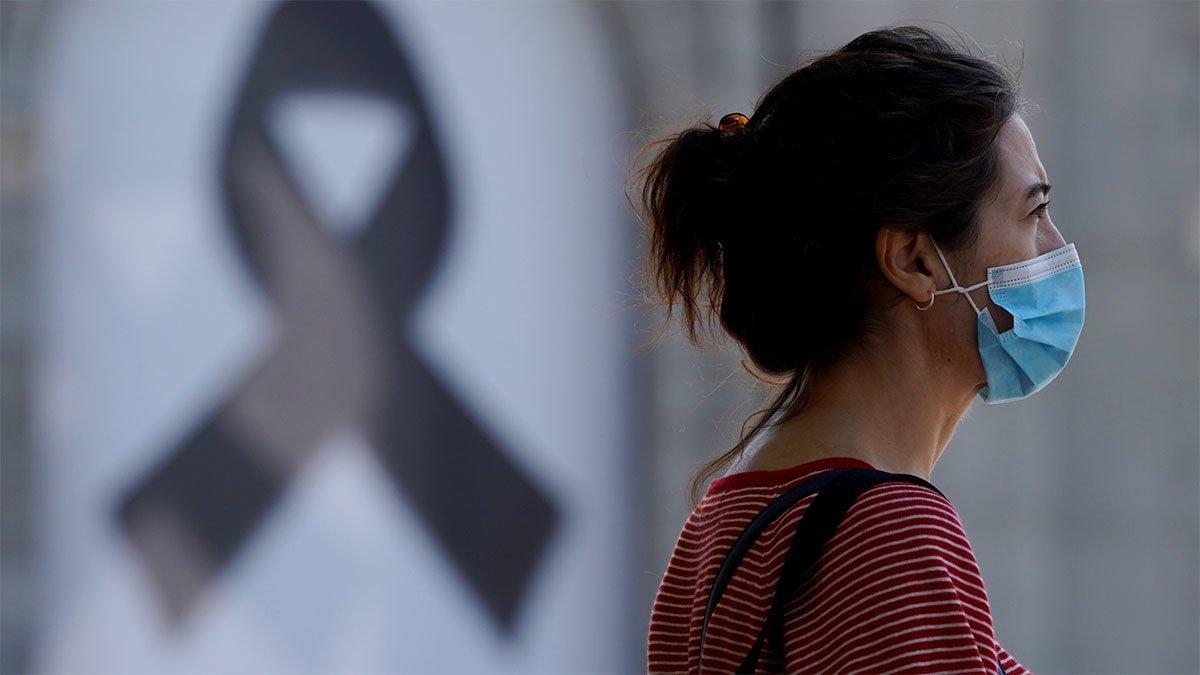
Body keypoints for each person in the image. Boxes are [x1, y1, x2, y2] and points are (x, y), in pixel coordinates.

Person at [632, 23, 1085, 674]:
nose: (1056, 248)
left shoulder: (722, 519)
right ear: (914, 260)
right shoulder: (889, 532)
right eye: (1033, 212)